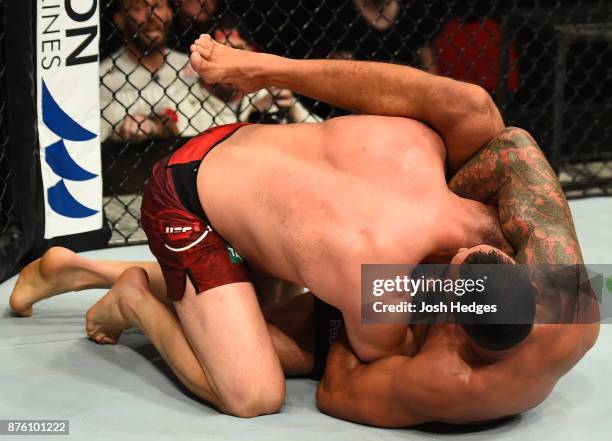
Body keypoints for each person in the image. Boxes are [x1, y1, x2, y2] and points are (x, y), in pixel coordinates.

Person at [10, 35, 599, 421]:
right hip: (186, 198)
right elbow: (337, 382)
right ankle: (136, 298)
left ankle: (80, 267)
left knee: (277, 297)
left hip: (245, 151)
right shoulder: (378, 291)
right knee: (254, 392)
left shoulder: (450, 155)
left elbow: (513, 148)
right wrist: (420, 345)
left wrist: (267, 70)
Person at [175, 19, 321, 136]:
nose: (230, 61)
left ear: (252, 52)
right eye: (220, 53)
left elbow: (322, 132)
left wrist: (294, 113)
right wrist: (252, 121)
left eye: (238, 51)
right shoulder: (184, 99)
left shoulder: (267, 91)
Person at [100, 0, 193, 142]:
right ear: (120, 20)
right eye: (138, 8)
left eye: (158, 6)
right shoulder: (102, 77)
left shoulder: (191, 65)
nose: (152, 16)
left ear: (169, 13)